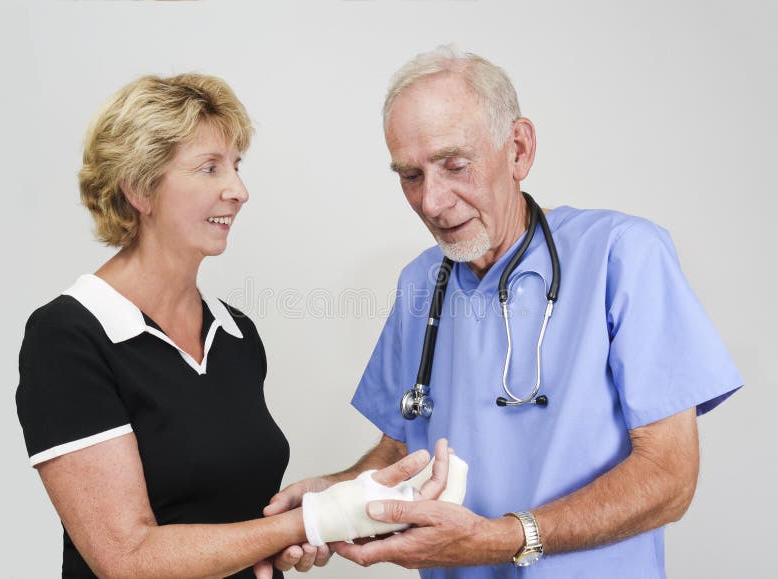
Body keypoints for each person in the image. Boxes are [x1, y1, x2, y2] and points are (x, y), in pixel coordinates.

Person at [263, 46, 743, 578]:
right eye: (411, 176)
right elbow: (400, 452)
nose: (432, 203)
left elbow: (669, 479)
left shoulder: (622, 255)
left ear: (518, 149)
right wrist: (329, 503)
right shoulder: (422, 281)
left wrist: (502, 539)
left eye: (454, 165)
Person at [14, 73, 449, 579]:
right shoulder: (69, 337)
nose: (238, 191)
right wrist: (305, 525)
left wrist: (298, 532)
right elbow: (126, 558)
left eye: (236, 166)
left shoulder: (235, 333)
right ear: (138, 188)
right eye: (209, 168)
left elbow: (237, 525)